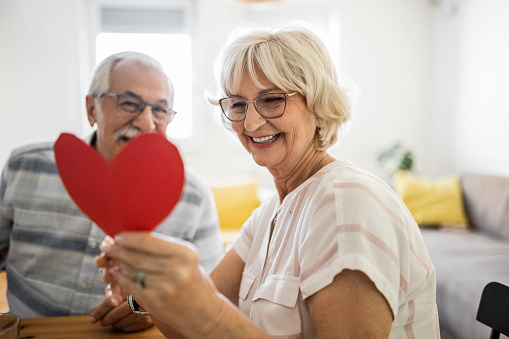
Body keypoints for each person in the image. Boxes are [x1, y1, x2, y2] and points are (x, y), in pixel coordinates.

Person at [96, 27, 440, 338]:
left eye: (272, 99)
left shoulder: (346, 201)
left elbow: (208, 312)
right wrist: (144, 282)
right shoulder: (270, 212)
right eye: (237, 104)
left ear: (319, 106)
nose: (251, 121)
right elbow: (194, 326)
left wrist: (202, 304)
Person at [0, 51, 224, 332]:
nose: (146, 122)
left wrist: (153, 310)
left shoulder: (194, 195)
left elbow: (211, 295)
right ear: (92, 109)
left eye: (160, 110)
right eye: (129, 104)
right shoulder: (25, 166)